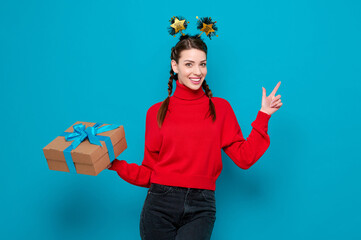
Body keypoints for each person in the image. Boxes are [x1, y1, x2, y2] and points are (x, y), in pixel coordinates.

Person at [107, 34, 282, 240]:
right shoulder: (155, 112)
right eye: (189, 64)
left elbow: (245, 158)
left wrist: (264, 115)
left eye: (202, 64)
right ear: (175, 66)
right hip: (159, 205)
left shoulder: (220, 108)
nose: (197, 72)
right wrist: (114, 164)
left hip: (202, 206)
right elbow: (149, 173)